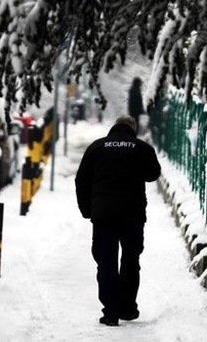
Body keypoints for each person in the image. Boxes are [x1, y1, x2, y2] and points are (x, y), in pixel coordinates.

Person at [75, 115, 162, 327]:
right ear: (133, 129)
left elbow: (81, 180)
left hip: (103, 215)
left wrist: (87, 210)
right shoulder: (142, 148)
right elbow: (153, 174)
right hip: (132, 214)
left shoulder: (96, 147)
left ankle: (111, 312)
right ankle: (128, 308)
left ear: (113, 127)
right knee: (131, 261)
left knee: (106, 262)